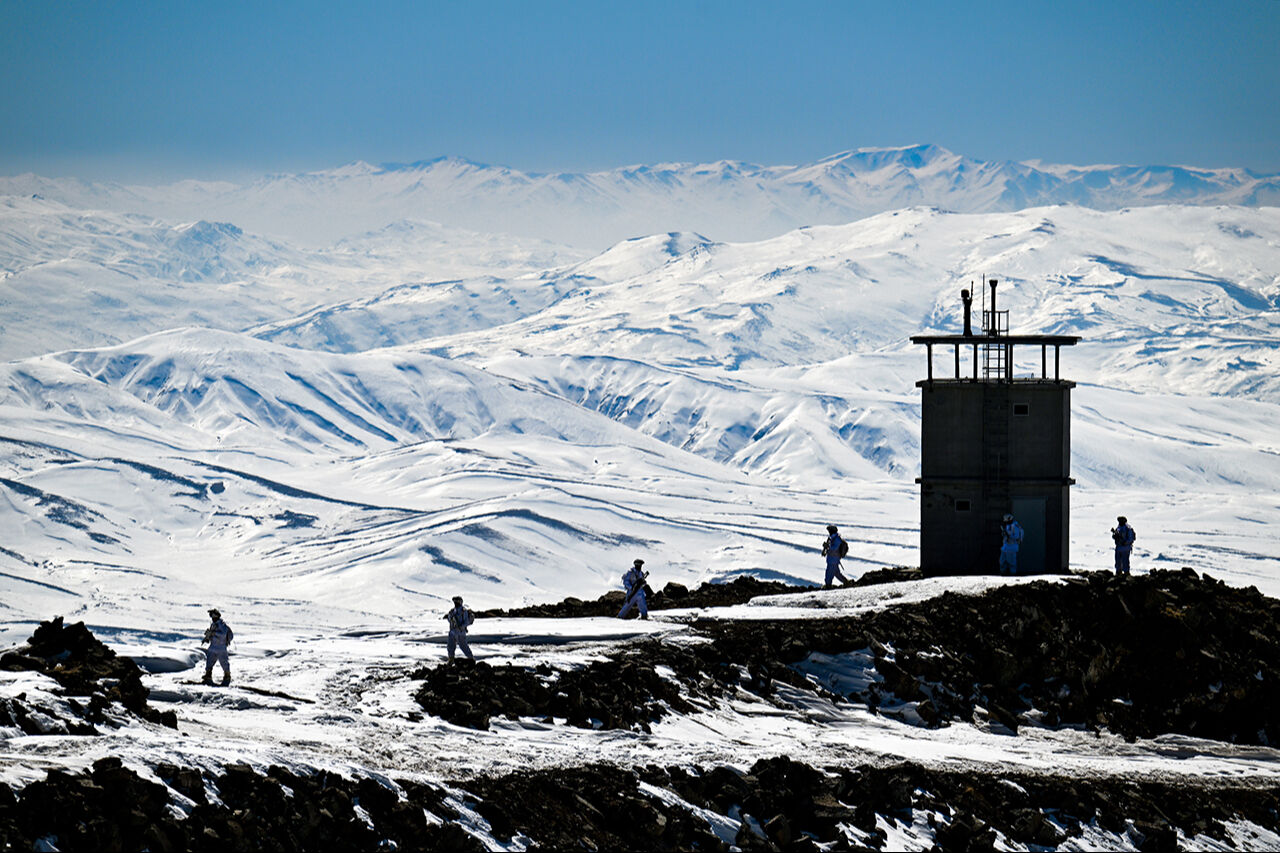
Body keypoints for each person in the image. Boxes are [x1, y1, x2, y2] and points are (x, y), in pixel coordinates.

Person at [201, 608, 233, 686]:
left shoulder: (222, 625)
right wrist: (207, 638)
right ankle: (208, 675)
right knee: (209, 661)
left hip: (220, 648)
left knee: (224, 662)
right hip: (213, 647)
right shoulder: (214, 625)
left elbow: (222, 635)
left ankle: (227, 676)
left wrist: (213, 633)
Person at [445, 596, 475, 662]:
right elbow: (449, 619)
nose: (456, 603)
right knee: (450, 646)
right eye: (455, 601)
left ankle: (471, 659)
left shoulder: (463, 611)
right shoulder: (452, 611)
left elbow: (466, 621)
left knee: (464, 647)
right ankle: (451, 659)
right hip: (452, 632)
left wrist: (461, 627)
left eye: (457, 601)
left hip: (460, 632)